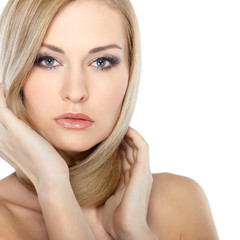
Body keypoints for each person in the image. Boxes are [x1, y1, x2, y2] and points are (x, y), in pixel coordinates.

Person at [0, 0, 219, 239]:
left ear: (130, 70)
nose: (76, 92)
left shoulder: (179, 201)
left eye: (101, 62)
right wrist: (51, 183)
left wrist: (134, 231)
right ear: (14, 69)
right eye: (48, 61)